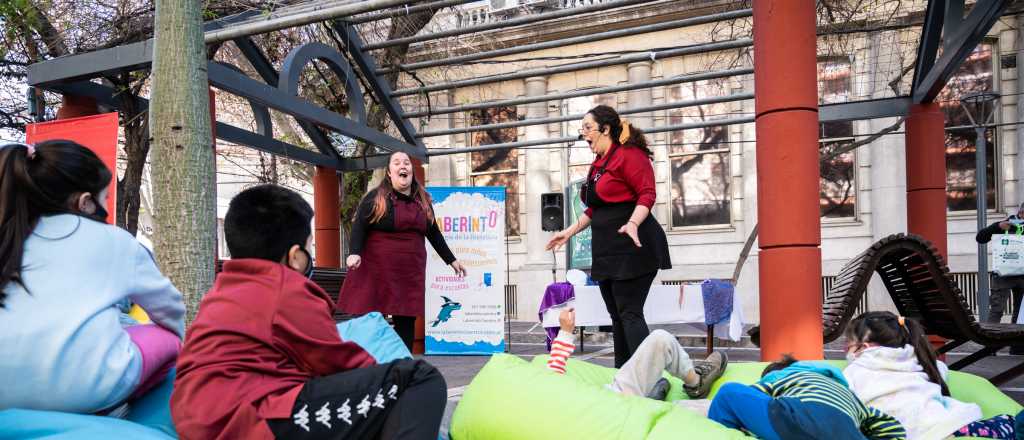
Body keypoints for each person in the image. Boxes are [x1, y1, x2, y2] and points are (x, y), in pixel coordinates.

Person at [171, 185, 446, 440]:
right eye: (310, 245)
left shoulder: (221, 292)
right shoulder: (282, 288)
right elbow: (341, 363)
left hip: (199, 420)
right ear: (295, 256)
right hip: (251, 420)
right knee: (417, 378)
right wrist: (387, 387)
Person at [0, 140, 185, 415]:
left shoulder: (8, 239)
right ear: (85, 203)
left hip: (5, 395)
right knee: (166, 336)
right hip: (88, 392)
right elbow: (170, 310)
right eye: (105, 198)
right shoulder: (113, 240)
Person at [545, 105, 671, 368]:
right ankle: (623, 375)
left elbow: (647, 193)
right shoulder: (599, 164)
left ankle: (649, 377)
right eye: (582, 129)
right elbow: (595, 209)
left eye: (588, 128)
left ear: (606, 129)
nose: (584, 134)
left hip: (634, 246)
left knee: (630, 313)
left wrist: (634, 222)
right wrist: (567, 233)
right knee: (616, 315)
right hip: (607, 250)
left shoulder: (629, 155)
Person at [338, 151, 467, 350]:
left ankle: (402, 366)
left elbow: (434, 233)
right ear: (389, 172)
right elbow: (359, 225)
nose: (403, 166)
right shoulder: (375, 197)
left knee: (406, 320)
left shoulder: (423, 200)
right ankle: (371, 364)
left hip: (409, 272)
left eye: (406, 162)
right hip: (376, 269)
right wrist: (354, 252)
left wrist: (452, 260)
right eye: (396, 163)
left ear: (411, 171)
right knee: (370, 318)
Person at [844, 311, 1024, 439]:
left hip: (897, 434)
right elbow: (941, 371)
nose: (846, 351)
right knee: (1010, 422)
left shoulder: (853, 371)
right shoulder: (920, 361)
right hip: (949, 428)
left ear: (864, 347)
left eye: (849, 345)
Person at [546, 308, 727, 404]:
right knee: (660, 339)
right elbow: (551, 381)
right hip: (615, 402)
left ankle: (649, 400)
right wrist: (565, 332)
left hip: (611, 396)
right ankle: (696, 382)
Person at [708, 355, 906, 440]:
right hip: (848, 434)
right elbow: (890, 425)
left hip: (797, 422)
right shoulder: (851, 396)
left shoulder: (784, 375)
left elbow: (753, 396)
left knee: (728, 393)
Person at [976, 202, 1024, 326]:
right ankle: (991, 342)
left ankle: (1016, 344)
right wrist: (997, 226)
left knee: (1021, 314)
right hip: (1003, 273)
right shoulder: (1006, 224)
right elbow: (980, 238)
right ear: (1020, 212)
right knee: (997, 310)